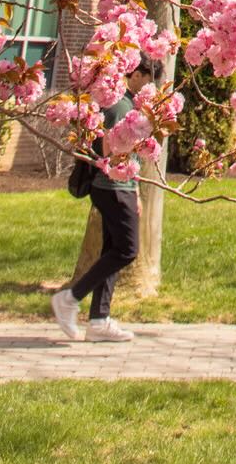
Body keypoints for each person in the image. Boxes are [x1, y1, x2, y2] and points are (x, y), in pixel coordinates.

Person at [50, 52, 157, 344]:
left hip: (119, 186)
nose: (150, 88)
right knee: (127, 250)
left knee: (112, 249)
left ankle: (99, 320)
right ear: (137, 75)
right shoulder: (121, 106)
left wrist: (136, 190)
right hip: (112, 186)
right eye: (148, 81)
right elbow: (110, 150)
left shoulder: (121, 103)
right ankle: (70, 298)